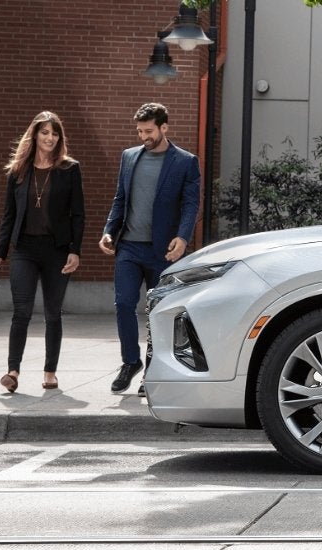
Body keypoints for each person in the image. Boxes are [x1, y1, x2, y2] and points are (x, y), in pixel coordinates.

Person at [99, 102, 200, 395]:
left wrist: (183, 238)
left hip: (162, 251)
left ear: (164, 128)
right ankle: (130, 362)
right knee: (124, 304)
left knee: (159, 312)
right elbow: (121, 199)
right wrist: (109, 231)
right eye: (140, 130)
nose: (144, 135)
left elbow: (191, 204)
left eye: (149, 130)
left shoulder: (185, 162)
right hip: (129, 246)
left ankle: (153, 368)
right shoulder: (129, 157)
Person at [0, 111, 86, 393]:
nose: (50, 138)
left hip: (56, 250)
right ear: (34, 135)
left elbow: (77, 214)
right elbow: (8, 216)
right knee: (21, 311)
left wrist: (74, 251)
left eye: (54, 134)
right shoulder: (18, 171)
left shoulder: (69, 169)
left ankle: (50, 371)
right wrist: (0, 253)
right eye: (45, 133)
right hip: (25, 250)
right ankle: (13, 371)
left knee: (53, 312)